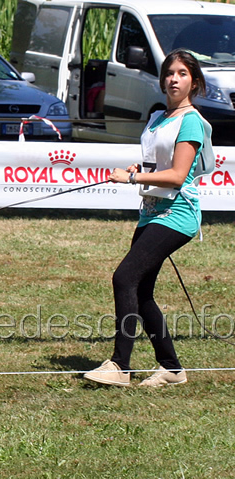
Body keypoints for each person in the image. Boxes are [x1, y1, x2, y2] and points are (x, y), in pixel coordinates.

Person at [84, 49, 212, 387]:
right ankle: (171, 368)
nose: (173, 78)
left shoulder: (192, 121)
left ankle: (120, 366)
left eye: (182, 73)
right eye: (169, 73)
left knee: (124, 277)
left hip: (178, 214)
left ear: (194, 82)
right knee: (141, 292)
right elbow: (159, 166)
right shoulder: (157, 118)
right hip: (152, 212)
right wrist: (140, 170)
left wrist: (131, 179)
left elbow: (178, 175)